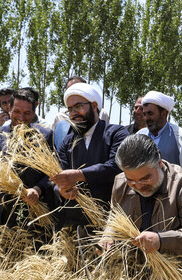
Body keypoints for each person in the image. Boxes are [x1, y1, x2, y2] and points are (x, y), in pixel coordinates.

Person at [111, 134, 182, 266]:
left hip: (177, 273)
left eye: (145, 178)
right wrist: (108, 237)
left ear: (159, 163)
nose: (139, 186)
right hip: (135, 272)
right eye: (131, 181)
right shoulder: (120, 183)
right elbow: (113, 218)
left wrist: (160, 239)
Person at [0, 89, 55, 234]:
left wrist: (38, 189)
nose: (21, 117)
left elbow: (52, 173)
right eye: (17, 111)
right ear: (9, 109)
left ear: (34, 113)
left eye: (27, 113)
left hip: (33, 215)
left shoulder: (44, 136)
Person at [50, 83, 128, 226]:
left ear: (93, 105)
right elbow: (58, 175)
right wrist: (61, 190)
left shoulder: (117, 133)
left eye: (78, 106)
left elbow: (116, 166)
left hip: (110, 217)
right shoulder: (67, 142)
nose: (74, 113)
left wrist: (78, 175)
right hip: (74, 220)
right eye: (70, 109)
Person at [138, 91, 182, 174]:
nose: (146, 118)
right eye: (144, 114)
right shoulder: (139, 136)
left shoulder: (180, 136)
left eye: (150, 113)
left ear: (164, 113)